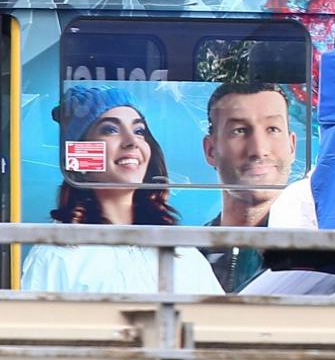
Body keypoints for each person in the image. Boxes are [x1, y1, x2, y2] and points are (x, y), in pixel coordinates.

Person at [22, 84, 222, 295]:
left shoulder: (181, 250)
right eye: (110, 130)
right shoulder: (56, 255)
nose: (131, 141)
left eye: (139, 131)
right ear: (80, 156)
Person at [200, 82, 299, 291]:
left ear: (292, 146)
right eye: (239, 131)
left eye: (272, 129)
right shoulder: (187, 257)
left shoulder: (321, 250)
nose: (259, 150)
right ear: (210, 151)